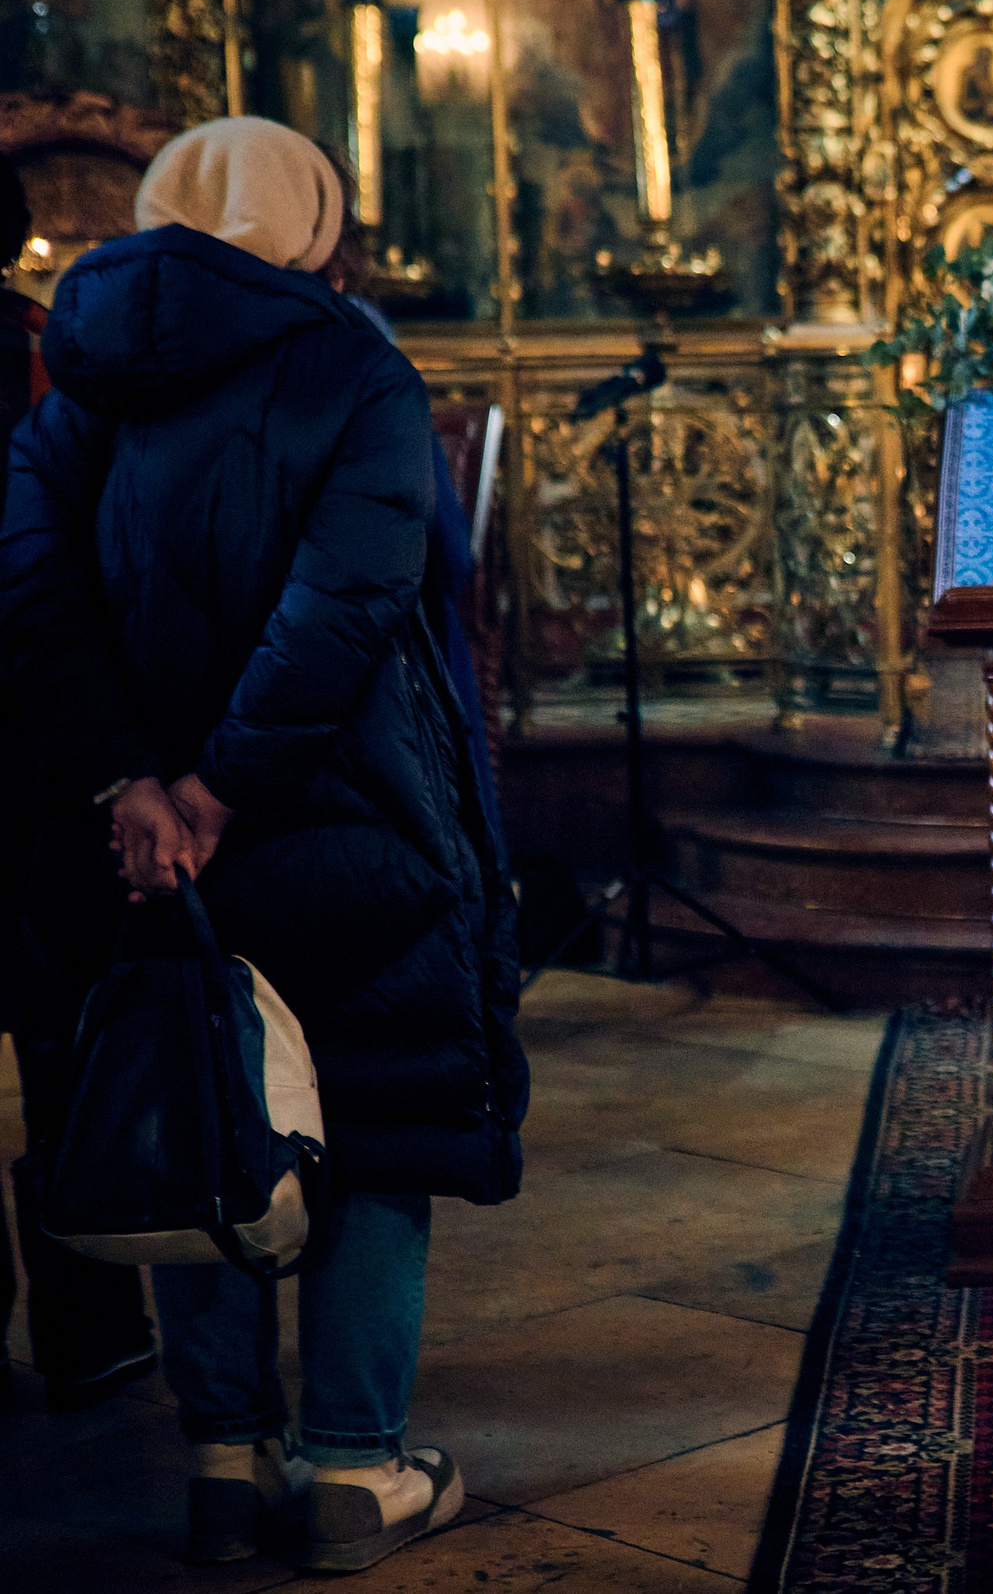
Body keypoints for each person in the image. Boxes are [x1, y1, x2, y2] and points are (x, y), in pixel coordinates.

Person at [0, 116, 525, 1570]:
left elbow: (32, 591)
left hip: (141, 842)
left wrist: (135, 787)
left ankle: (224, 1456)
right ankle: (355, 1466)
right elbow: (354, 596)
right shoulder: (350, 362)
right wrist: (225, 786)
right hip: (349, 808)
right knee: (374, 1117)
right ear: (314, 225)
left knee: (196, 1106)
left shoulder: (82, 368)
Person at [0, 150, 161, 1415]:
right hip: (41, 741)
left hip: (36, 742)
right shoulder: (47, 356)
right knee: (63, 1042)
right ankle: (88, 1323)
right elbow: (82, 556)